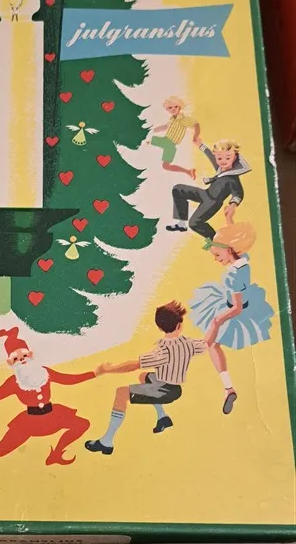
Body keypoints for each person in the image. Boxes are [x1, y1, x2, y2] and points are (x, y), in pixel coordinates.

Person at [0, 327, 109, 466]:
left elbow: (68, 379)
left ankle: (56, 454)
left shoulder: (45, 373)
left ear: (30, 354)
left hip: (53, 415)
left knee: (82, 424)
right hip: (29, 422)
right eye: (16, 358)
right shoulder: (14, 382)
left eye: (23, 355)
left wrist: (95, 373)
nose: (22, 359)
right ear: (10, 362)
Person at [85, 301, 207, 456]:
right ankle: (162, 417)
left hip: (164, 390)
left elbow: (134, 365)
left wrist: (107, 369)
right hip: (174, 387)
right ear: (179, 326)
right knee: (144, 376)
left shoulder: (162, 351)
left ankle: (106, 442)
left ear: (160, 327)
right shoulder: (188, 343)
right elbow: (207, 343)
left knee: (121, 393)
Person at [189, 222, 274, 414]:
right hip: (244, 301)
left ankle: (228, 388)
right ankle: (225, 385)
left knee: (212, 345)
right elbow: (233, 240)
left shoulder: (233, 276)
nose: (216, 260)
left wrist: (219, 320)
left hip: (234, 310)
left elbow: (236, 308)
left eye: (218, 256)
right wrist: (229, 221)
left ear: (228, 251)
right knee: (211, 343)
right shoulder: (243, 260)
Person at [166, 139, 251, 240]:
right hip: (205, 194)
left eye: (228, 158)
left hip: (212, 203)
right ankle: (181, 224)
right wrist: (200, 145)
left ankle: (216, 240)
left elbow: (238, 194)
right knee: (178, 189)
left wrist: (232, 206)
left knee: (194, 223)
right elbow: (210, 155)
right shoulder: (220, 168)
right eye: (219, 158)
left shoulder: (233, 178)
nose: (223, 161)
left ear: (235, 157)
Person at [150, 96, 201, 178]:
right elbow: (165, 126)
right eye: (170, 108)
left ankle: (188, 172)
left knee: (165, 166)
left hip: (170, 144)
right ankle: (188, 172)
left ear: (180, 107)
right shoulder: (172, 119)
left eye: (176, 107)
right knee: (148, 140)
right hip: (165, 141)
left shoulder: (183, 120)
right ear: (167, 109)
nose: (173, 109)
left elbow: (196, 124)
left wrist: (195, 136)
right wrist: (153, 130)